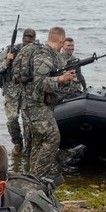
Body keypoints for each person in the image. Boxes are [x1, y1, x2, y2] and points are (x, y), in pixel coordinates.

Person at [20, 27, 76, 178]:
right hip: (34, 104)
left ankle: (31, 177)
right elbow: (40, 83)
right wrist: (60, 79)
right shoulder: (44, 55)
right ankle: (37, 177)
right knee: (53, 136)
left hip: (40, 103)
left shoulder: (50, 54)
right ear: (61, 40)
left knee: (38, 141)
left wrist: (63, 78)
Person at [0, 27, 36, 155]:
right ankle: (17, 144)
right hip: (12, 92)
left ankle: (28, 150)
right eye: (25, 40)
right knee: (12, 119)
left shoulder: (38, 52)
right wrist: (7, 61)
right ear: (22, 39)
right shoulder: (10, 50)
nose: (27, 43)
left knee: (28, 123)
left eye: (30, 41)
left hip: (29, 92)